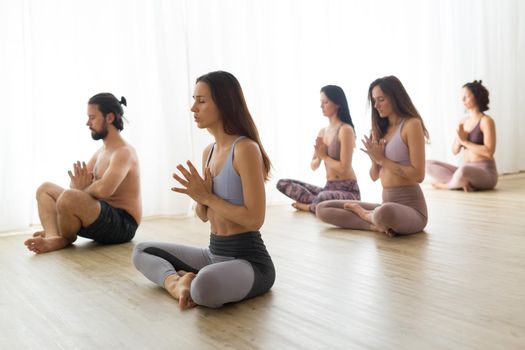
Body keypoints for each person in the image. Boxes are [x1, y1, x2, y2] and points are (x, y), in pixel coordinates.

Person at [133, 71, 275, 310]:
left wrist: (207, 196)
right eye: (194, 99)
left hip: (249, 261)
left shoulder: (245, 149)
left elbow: (255, 219)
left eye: (201, 100)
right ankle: (176, 284)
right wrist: (200, 199)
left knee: (203, 288)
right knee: (141, 251)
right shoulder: (208, 152)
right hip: (213, 253)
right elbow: (203, 215)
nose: (193, 108)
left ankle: (191, 281)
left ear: (223, 103)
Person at [24, 93, 141, 253]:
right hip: (98, 214)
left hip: (123, 225)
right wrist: (80, 188)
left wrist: (81, 188)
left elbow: (103, 190)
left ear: (109, 118)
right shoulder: (101, 151)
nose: (87, 123)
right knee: (45, 189)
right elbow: (76, 185)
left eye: (92, 117)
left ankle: (64, 237)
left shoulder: (123, 152)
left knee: (69, 197)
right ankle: (53, 237)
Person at [316, 76, 428, 236]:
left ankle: (367, 216)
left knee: (385, 212)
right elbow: (374, 176)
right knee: (323, 208)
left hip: (412, 210)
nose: (376, 105)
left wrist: (382, 159)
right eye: (374, 100)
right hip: (387, 203)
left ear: (395, 98)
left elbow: (419, 175)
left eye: (381, 99)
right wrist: (375, 159)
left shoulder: (411, 124)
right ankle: (377, 225)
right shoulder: (379, 130)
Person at [276, 85, 360, 213]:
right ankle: (320, 204)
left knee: (322, 197)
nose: (322, 106)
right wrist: (319, 158)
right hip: (329, 187)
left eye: (325, 102)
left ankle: (311, 206)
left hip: (347, 190)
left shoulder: (345, 130)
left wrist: (324, 156)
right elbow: (313, 165)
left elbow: (344, 168)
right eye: (321, 102)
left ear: (337, 104)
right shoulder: (322, 132)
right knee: (282, 183)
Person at [426, 80, 497, 192]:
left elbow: (489, 152)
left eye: (466, 96)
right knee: (427, 164)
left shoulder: (486, 121)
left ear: (477, 97)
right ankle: (460, 182)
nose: (463, 99)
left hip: (485, 173)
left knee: (463, 170)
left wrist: (465, 142)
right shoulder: (463, 122)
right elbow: (454, 151)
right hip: (466, 169)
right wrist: (460, 140)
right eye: (462, 97)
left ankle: (448, 185)